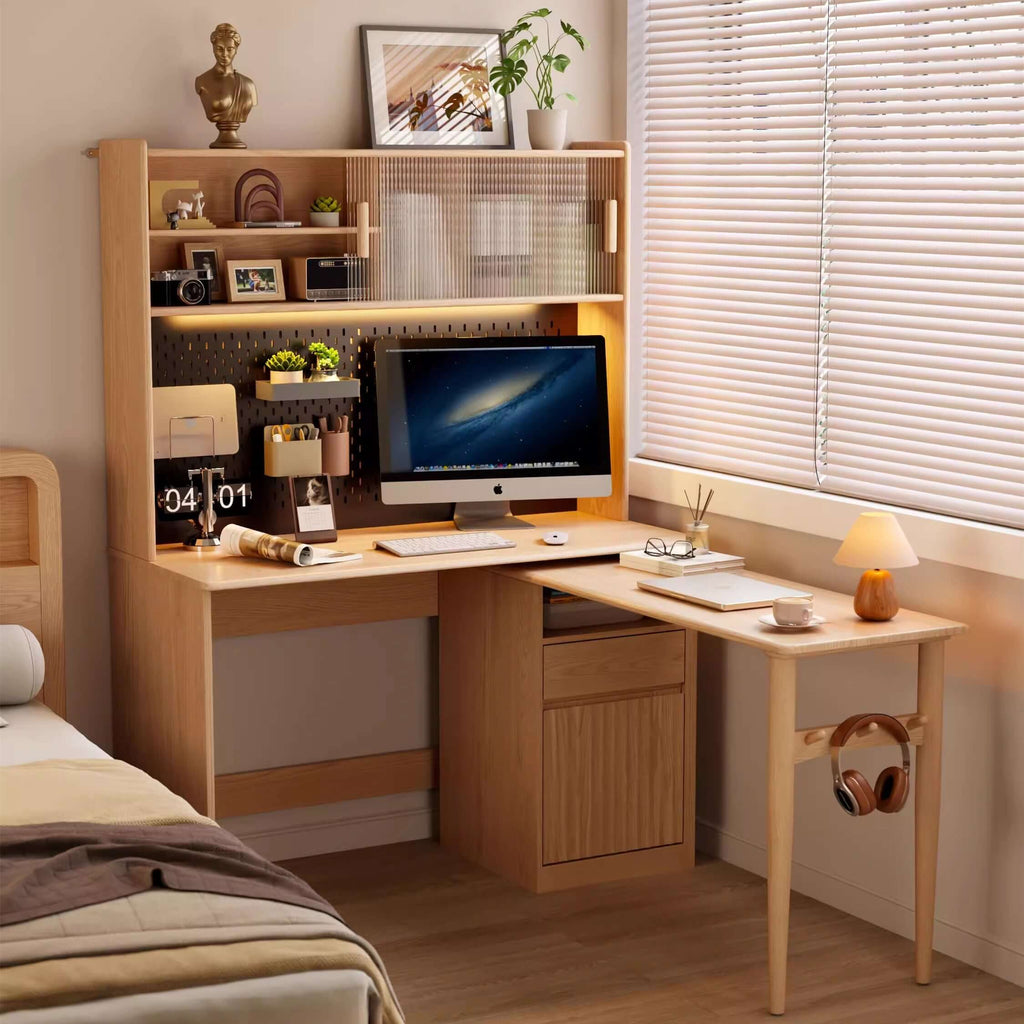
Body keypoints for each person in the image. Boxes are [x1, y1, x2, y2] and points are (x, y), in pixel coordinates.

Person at [195, 24, 257, 149]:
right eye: (219, 49)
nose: (224, 54)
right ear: (213, 48)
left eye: (230, 49)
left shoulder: (248, 84)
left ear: (236, 49)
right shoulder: (202, 81)